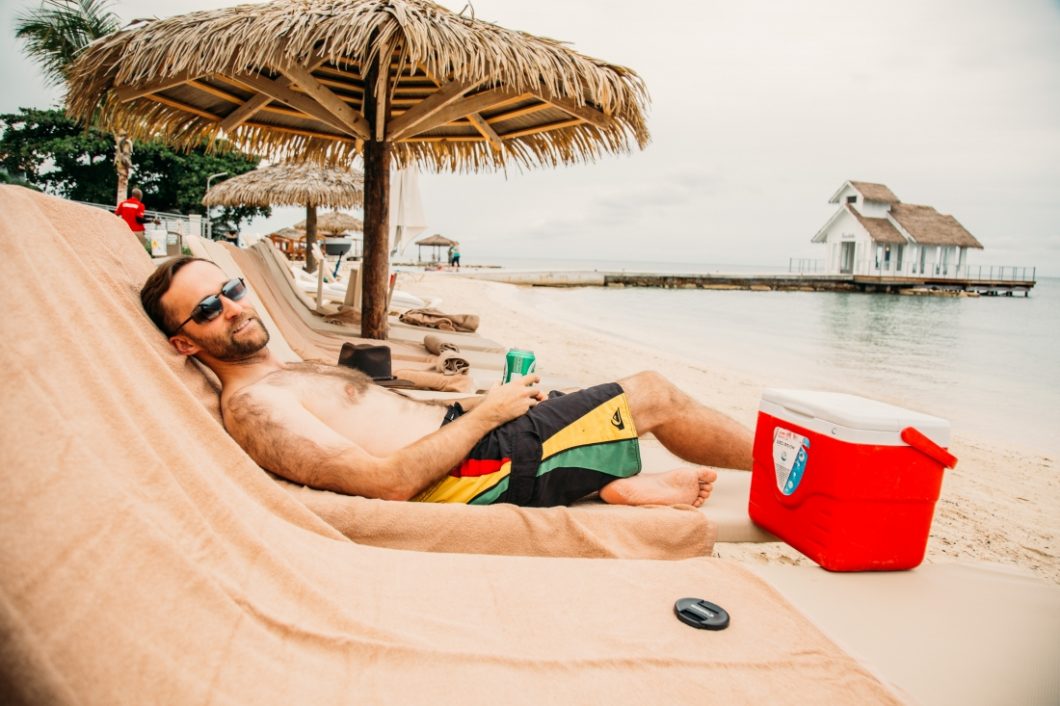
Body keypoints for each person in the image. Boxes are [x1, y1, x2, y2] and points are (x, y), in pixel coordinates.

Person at [140, 257, 754, 508]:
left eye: (231, 290)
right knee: (652, 393)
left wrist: (471, 401)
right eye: (207, 310)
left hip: (467, 434)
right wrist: (487, 417)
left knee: (579, 401)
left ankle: (615, 486)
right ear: (185, 343)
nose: (233, 307)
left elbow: (385, 419)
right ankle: (808, 468)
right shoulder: (252, 406)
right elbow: (386, 482)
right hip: (469, 469)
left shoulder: (286, 369)